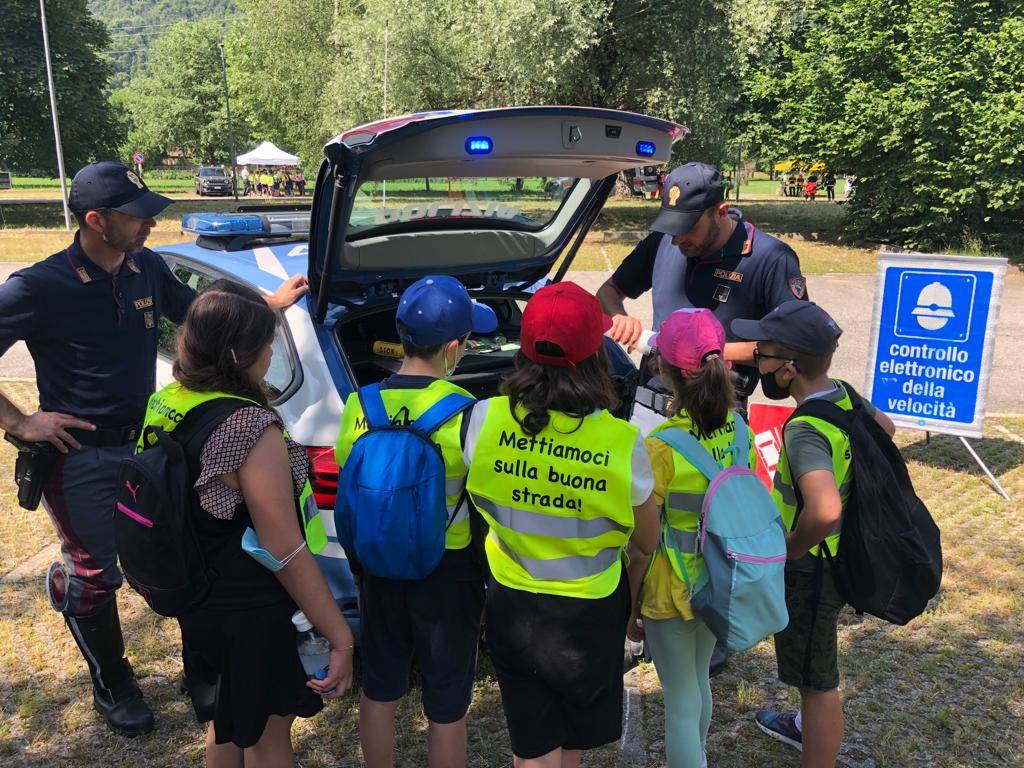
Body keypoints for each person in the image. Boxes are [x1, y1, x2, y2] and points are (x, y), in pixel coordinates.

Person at [0, 161, 307, 736]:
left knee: (175, 551)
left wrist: (266, 306)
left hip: (147, 448)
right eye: (137, 215)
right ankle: (113, 683)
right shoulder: (37, 286)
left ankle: (201, 671)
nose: (149, 223)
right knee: (96, 574)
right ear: (95, 220)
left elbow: (202, 317)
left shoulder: (146, 267)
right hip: (77, 458)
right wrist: (19, 422)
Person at [149, 280, 354, 765]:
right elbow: (283, 548)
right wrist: (340, 636)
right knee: (267, 735)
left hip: (200, 595)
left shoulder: (173, 397)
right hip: (249, 609)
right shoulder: (247, 427)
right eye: (267, 343)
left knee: (228, 720)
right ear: (246, 355)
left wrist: (268, 305)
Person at [463, 282, 660, 768]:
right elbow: (645, 543)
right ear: (598, 353)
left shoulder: (480, 420)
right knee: (569, 743)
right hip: (588, 615)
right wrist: (634, 611)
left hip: (512, 605)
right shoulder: (622, 441)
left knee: (530, 745)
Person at [334, 275, 498, 768]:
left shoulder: (358, 404)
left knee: (380, 687)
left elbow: (351, 474)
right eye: (467, 342)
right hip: (447, 572)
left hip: (380, 564)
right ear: (453, 348)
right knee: (447, 702)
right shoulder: (471, 414)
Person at [730, 302, 894, 768]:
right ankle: (804, 726)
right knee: (815, 669)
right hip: (840, 557)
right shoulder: (843, 394)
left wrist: (788, 550)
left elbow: (823, 510)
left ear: (787, 369)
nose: (755, 356)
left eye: (762, 352)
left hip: (813, 566)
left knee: (817, 682)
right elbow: (887, 428)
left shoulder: (804, 429)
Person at [625, 308, 757, 768]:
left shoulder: (660, 446)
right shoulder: (742, 430)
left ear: (663, 370)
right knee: (698, 683)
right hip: (721, 582)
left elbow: (642, 545)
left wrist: (632, 602)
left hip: (670, 591)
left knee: (680, 702)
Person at [598, 161, 809, 414]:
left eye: (687, 227)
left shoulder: (771, 259)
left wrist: (704, 351)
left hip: (719, 412)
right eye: (672, 227)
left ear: (721, 211)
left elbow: (794, 344)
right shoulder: (662, 242)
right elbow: (608, 291)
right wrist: (619, 316)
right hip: (651, 404)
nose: (676, 239)